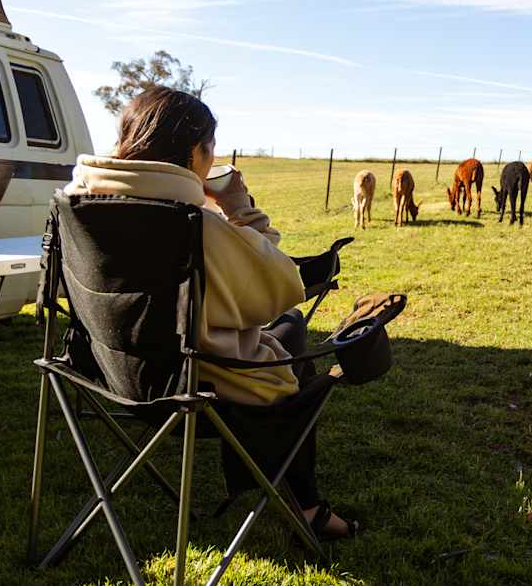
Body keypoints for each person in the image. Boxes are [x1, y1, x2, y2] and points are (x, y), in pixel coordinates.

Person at [64, 86, 358, 539]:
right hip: (188, 385)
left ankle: (291, 492)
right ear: (194, 153)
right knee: (292, 344)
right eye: (211, 147)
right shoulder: (190, 224)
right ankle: (306, 505)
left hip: (104, 371)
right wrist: (239, 209)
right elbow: (278, 283)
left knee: (287, 332)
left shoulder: (75, 204)